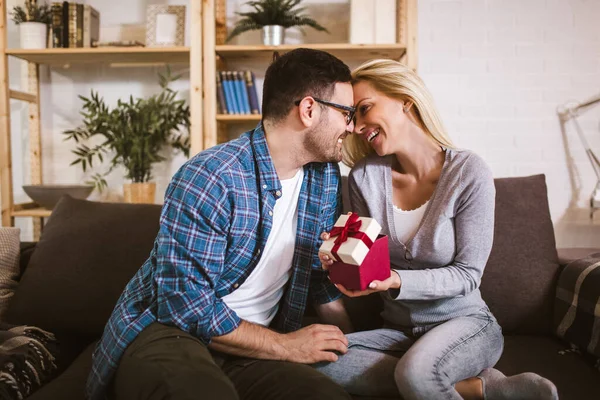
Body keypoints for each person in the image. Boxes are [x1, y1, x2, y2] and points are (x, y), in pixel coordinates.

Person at [86, 48, 358, 400]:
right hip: (171, 332)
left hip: (255, 346)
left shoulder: (323, 177)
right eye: (347, 113)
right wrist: (286, 347)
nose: (351, 126)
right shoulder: (212, 176)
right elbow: (184, 305)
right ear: (308, 110)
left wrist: (349, 342)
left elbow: (317, 280)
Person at [315, 59, 559, 400]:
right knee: (314, 363)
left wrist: (397, 280)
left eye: (365, 109)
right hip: (398, 331)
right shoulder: (365, 178)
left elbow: (468, 275)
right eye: (351, 117)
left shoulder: (468, 172)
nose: (356, 127)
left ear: (405, 100)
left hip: (466, 325)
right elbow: (367, 261)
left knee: (416, 374)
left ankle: (428, 381)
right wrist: (342, 259)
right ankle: (483, 389)